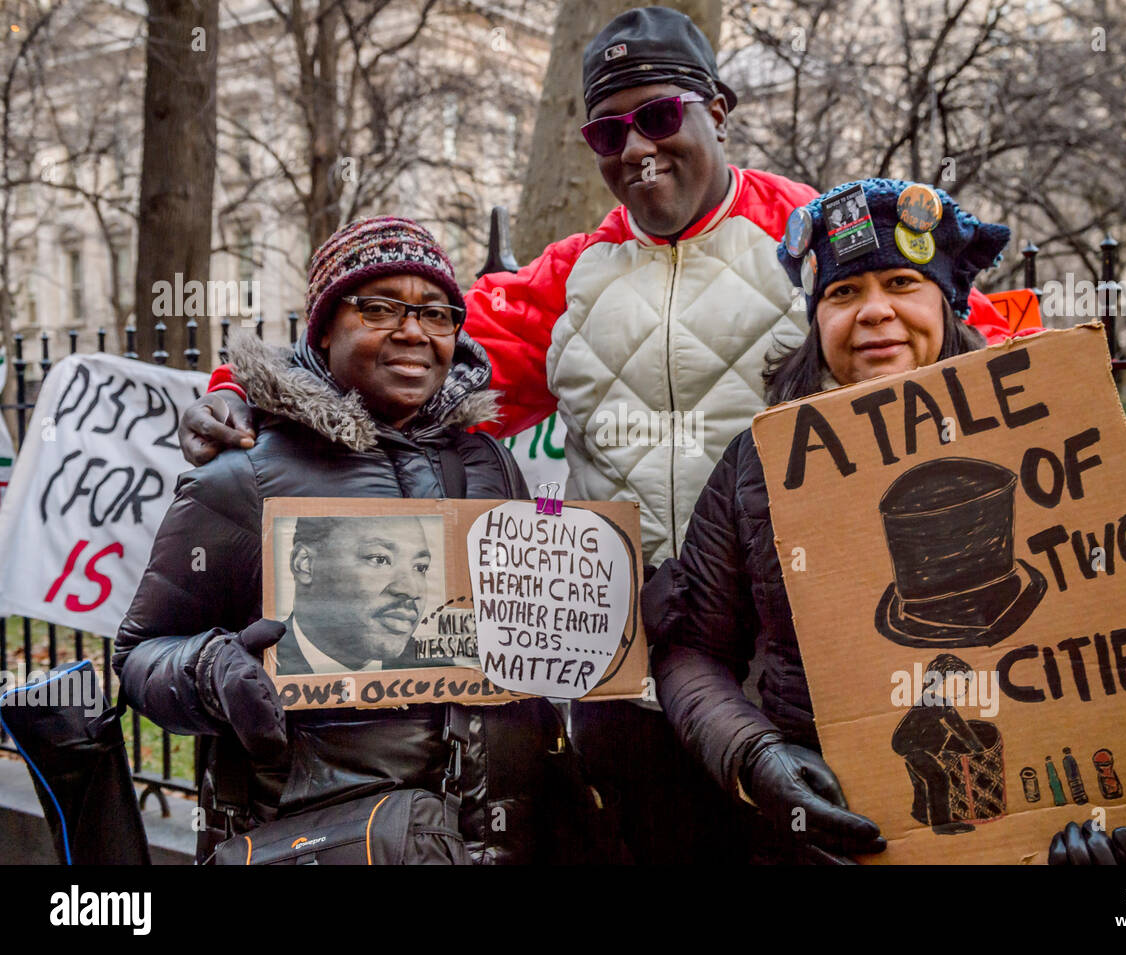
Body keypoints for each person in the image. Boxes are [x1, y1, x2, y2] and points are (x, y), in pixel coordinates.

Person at [172, 8, 1014, 863]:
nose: (636, 148)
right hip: (628, 687)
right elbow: (403, 362)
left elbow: (990, 363)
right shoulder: (573, 276)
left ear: (717, 109)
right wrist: (240, 390)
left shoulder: (818, 243)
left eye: (659, 116)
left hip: (802, 682)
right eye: (609, 130)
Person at [645, 178, 1126, 865]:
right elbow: (691, 649)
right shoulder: (759, 464)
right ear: (816, 320)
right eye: (843, 293)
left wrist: (1120, 839)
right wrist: (754, 752)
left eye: (900, 282)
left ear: (948, 307)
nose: (873, 312)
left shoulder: (1046, 431)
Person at [112, 216, 590, 865]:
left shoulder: (488, 464)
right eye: (381, 307)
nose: (414, 331)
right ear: (326, 326)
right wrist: (211, 670)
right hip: (328, 841)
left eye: (437, 312)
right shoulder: (243, 477)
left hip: (489, 840)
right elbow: (140, 655)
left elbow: (516, 637)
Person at [275, 516, 434, 675]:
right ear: (305, 564)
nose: (411, 590)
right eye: (379, 559)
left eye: (420, 568)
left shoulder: (435, 668)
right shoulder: (261, 663)